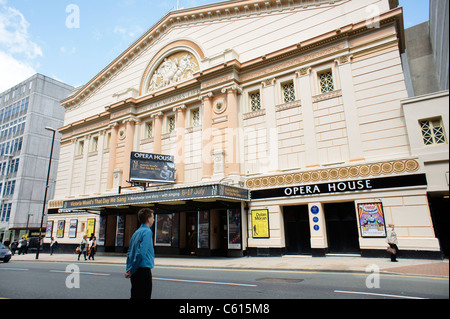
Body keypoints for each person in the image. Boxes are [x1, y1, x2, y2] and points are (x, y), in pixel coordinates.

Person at [125, 208, 155, 299]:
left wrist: (129, 269)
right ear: (148, 219)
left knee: (135, 296)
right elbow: (141, 253)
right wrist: (132, 270)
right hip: (143, 271)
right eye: (153, 217)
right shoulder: (147, 232)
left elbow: (130, 252)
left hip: (135, 272)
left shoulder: (136, 232)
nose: (154, 219)